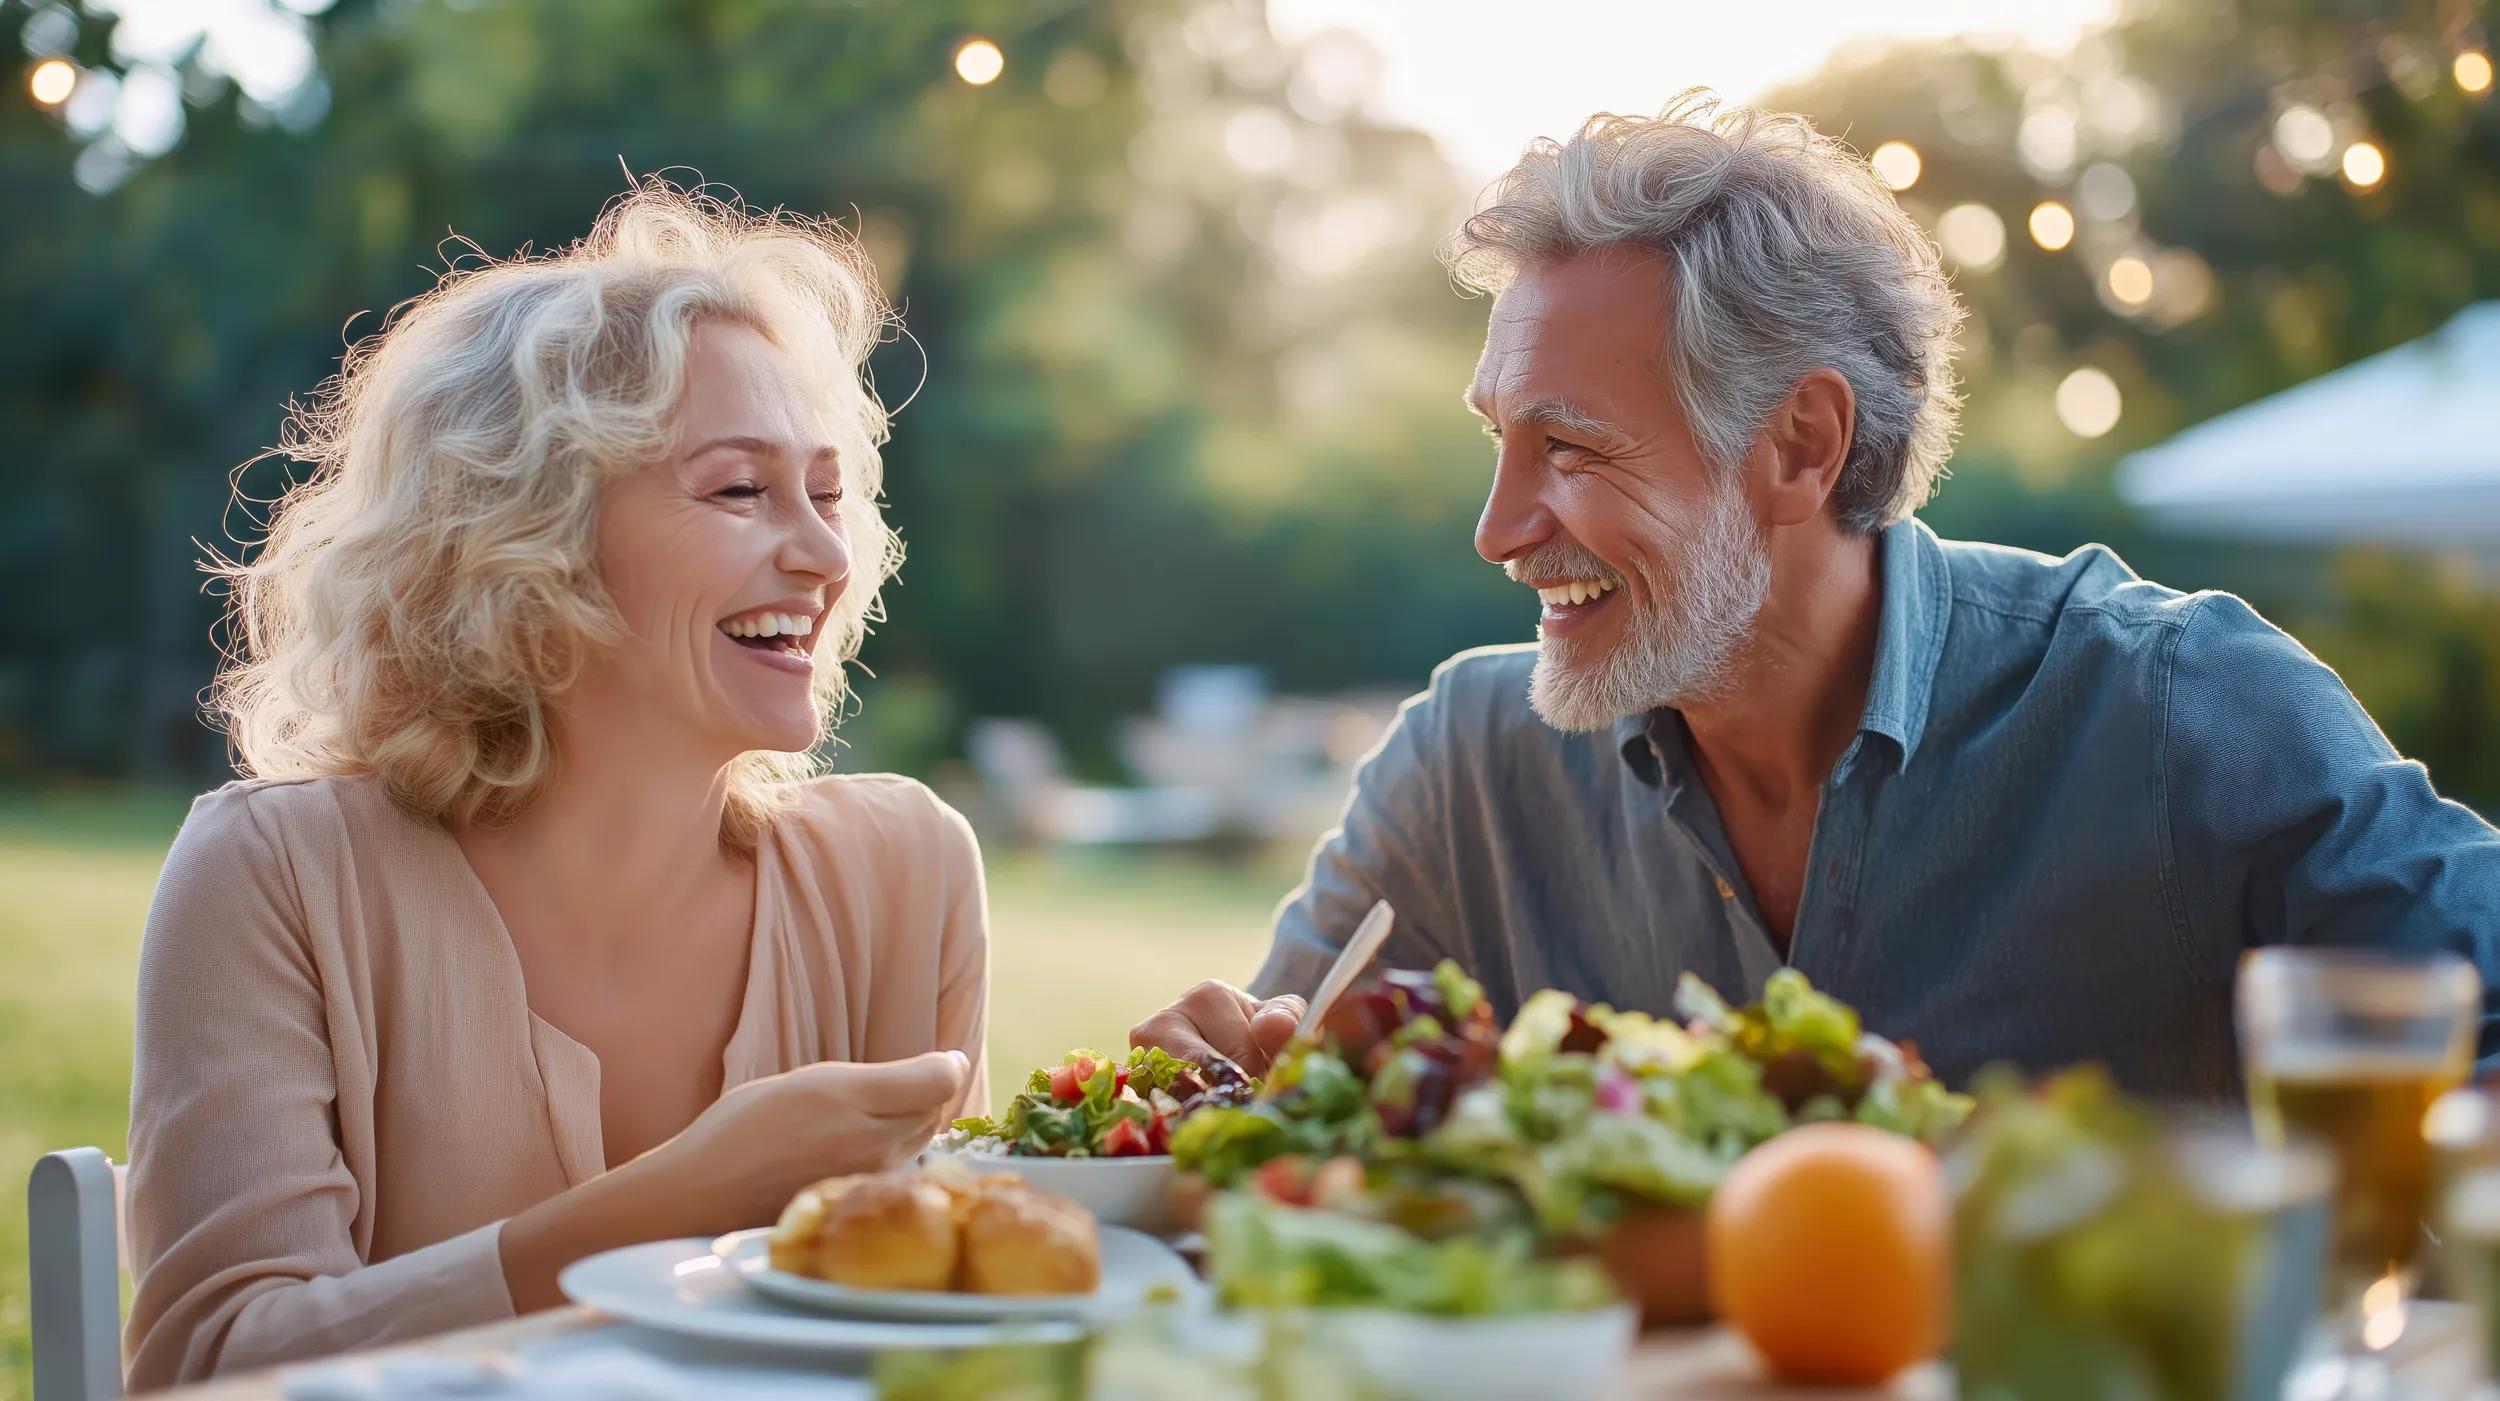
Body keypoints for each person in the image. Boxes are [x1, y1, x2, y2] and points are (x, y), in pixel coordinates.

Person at [1131, 91, 2500, 1098]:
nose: (1498, 531)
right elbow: (1259, 1107)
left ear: (1800, 445)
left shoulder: (2176, 712)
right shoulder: (1466, 774)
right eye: (1499, 441)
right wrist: (1214, 1080)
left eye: (1572, 447)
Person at [124, 186, 989, 1387]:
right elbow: (209, 1371)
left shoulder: (903, 872)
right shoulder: (277, 878)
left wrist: (1181, 1153)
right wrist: (678, 1202)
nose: (826, 555)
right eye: (741, 490)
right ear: (520, 537)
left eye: (829, 494)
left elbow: (953, 1330)